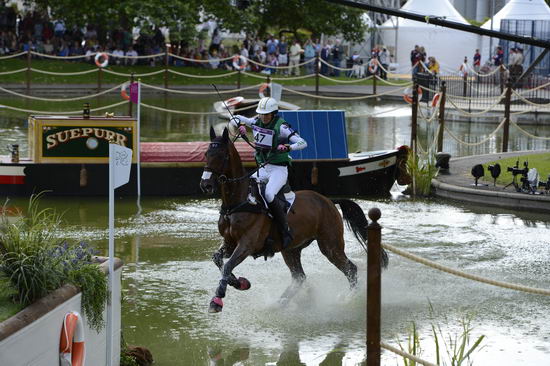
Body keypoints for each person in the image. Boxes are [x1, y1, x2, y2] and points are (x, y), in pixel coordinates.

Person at [230, 97, 308, 248]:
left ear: (274, 113)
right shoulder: (256, 121)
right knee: (244, 186)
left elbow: (303, 142)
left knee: (268, 194)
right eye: (261, 114)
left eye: (267, 114)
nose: (263, 117)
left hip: (278, 169)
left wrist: (288, 147)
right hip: (263, 168)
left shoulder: (282, 126)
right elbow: (235, 118)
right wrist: (240, 126)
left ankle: (284, 230)